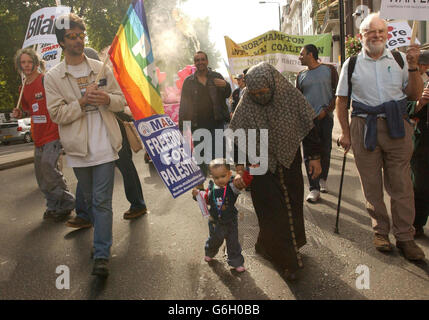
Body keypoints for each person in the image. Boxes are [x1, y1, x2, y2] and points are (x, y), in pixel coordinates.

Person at [336, 13, 424, 260]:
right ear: (361, 36)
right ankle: (381, 232)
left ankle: (405, 237)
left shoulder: (399, 58)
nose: (376, 36)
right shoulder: (351, 64)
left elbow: (414, 94)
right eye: (370, 32)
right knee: (371, 185)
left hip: (397, 126)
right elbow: (341, 101)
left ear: (387, 35)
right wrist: (344, 132)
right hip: (364, 127)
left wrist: (415, 65)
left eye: (380, 32)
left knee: (402, 185)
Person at [45, 13, 126, 277]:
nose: (78, 40)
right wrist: (81, 103)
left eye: (81, 35)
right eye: (72, 36)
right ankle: (101, 241)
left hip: (104, 146)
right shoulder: (54, 77)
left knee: (102, 202)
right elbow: (56, 114)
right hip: (79, 151)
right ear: (61, 42)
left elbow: (120, 99)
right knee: (91, 201)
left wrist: (105, 98)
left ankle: (102, 254)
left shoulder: (100, 66)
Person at [230, 62, 322, 280]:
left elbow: (309, 127)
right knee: (271, 211)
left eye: (264, 92)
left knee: (292, 205)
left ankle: (271, 245)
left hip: (289, 161)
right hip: (259, 166)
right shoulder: (246, 104)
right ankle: (287, 261)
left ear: (273, 84)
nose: (259, 96)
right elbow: (238, 137)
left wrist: (315, 157)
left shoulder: (290, 97)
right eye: (254, 93)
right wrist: (240, 167)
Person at [67, 48, 147, 230]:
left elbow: (122, 101)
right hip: (89, 133)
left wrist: (106, 99)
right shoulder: (74, 80)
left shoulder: (109, 76)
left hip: (114, 128)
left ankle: (138, 204)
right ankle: (84, 213)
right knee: (85, 170)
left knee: (125, 167)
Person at [12, 48, 75, 221]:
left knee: (48, 167)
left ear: (35, 63)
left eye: (29, 62)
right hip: (37, 136)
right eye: (23, 62)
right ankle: (53, 205)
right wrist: (19, 114)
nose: (26, 65)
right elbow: (26, 110)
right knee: (41, 174)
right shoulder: (23, 86)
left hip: (52, 133)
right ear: (19, 65)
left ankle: (67, 202)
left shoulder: (45, 80)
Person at [179, 51, 232, 180]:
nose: (200, 62)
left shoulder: (216, 76)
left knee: (218, 157)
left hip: (216, 123)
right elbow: (184, 104)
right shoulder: (189, 82)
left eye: (203, 59)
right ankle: (201, 189)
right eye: (197, 60)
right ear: (195, 63)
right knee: (201, 158)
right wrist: (182, 126)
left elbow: (226, 94)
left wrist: (226, 85)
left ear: (207, 61)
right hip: (197, 126)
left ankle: (223, 187)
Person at [192, 159, 249, 272]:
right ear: (212, 177)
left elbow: (244, 181)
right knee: (214, 240)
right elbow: (205, 199)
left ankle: (236, 262)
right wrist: (196, 195)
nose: (220, 180)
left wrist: (245, 172)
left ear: (229, 174)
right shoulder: (211, 188)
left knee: (233, 243)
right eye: (216, 178)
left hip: (230, 221)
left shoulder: (232, 186)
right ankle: (210, 252)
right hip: (215, 222)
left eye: (223, 176)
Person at [297, 44, 338, 202]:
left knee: (325, 150)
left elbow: (337, 94)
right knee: (308, 154)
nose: (299, 57)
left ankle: (322, 180)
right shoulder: (301, 75)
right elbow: (299, 99)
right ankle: (313, 188)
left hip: (325, 118)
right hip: (308, 121)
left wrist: (326, 110)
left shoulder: (330, 70)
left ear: (311, 54)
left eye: (302, 54)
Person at [407, 51, 429, 238]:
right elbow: (406, 108)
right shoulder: (412, 81)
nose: (424, 68)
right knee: (420, 184)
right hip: (422, 141)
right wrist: (419, 103)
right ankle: (417, 222)